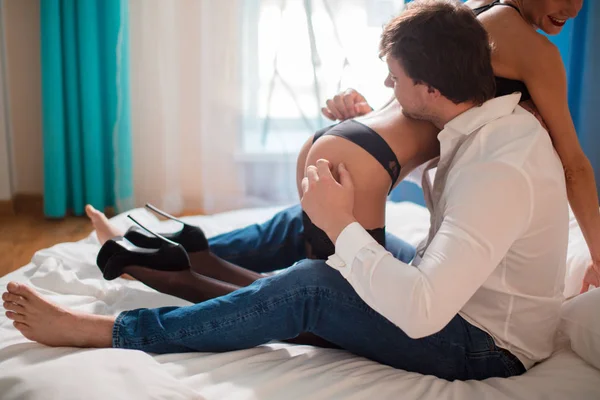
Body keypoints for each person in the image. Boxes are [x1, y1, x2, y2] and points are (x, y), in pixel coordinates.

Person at [2, 0, 569, 381]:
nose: (389, 91)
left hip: (485, 344)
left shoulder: (498, 166)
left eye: (395, 82)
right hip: (455, 290)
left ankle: (111, 331)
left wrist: (343, 225)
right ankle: (156, 258)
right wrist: (368, 125)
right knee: (290, 227)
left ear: (431, 87)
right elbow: (449, 220)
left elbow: (422, 312)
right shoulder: (478, 124)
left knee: (311, 285)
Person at [324, 0, 599, 293]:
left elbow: (412, 97)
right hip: (368, 165)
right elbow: (574, 166)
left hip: (354, 141)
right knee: (324, 297)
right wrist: (598, 258)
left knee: (304, 261)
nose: (573, 9)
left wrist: (366, 117)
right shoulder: (535, 52)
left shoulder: (468, 11)